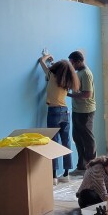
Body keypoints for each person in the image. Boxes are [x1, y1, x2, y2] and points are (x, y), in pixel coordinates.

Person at [38, 53, 79, 182]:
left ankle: (54, 175)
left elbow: (41, 62)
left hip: (53, 111)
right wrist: (55, 62)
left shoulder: (51, 76)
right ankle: (66, 173)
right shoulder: (67, 81)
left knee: (54, 143)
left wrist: (47, 56)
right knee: (66, 142)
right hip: (65, 111)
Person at [68, 51, 96, 173]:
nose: (71, 65)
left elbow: (87, 94)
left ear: (79, 61)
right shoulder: (79, 73)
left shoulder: (86, 73)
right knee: (77, 137)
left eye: (72, 63)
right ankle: (81, 165)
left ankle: (92, 165)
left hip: (85, 111)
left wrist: (70, 95)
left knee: (87, 139)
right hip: (77, 110)